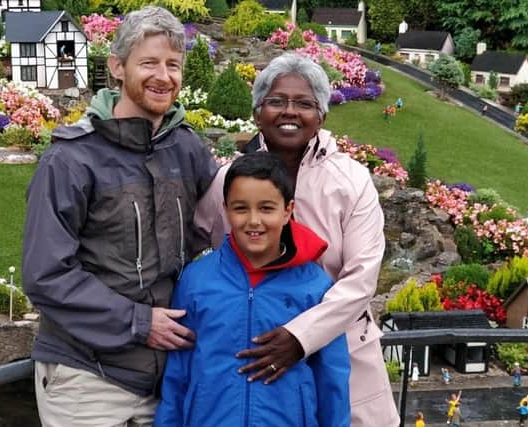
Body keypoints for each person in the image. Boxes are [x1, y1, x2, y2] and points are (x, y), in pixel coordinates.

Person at [21, 6, 219, 427]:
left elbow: (231, 228)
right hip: (86, 379)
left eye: (173, 65)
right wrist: (138, 322)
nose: (163, 76)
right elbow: (45, 274)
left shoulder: (187, 150)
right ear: (117, 67)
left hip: (165, 380)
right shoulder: (71, 159)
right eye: (148, 62)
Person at [194, 53, 399, 426]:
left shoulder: (351, 181)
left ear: (321, 115)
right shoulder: (228, 180)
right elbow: (197, 245)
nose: (290, 112)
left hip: (346, 354)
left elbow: (361, 280)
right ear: (257, 113)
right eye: (276, 101)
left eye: (304, 103)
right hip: (254, 360)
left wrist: (300, 337)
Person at [155, 152, 350, 426]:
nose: (254, 221)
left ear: (288, 211)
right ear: (225, 210)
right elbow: (177, 376)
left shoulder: (315, 288)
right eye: (241, 208)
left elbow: (333, 380)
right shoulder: (196, 281)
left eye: (267, 208)